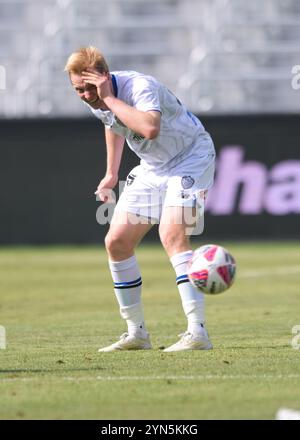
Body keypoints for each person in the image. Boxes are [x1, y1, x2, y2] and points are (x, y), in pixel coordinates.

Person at [64, 47, 216, 352]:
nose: (83, 95)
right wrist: (111, 173)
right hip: (153, 168)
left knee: (172, 235)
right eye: (77, 89)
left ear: (104, 77)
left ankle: (197, 332)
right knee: (116, 242)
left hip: (191, 157)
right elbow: (113, 124)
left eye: (88, 88)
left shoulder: (137, 87)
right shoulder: (98, 97)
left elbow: (149, 128)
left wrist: (108, 98)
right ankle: (137, 333)